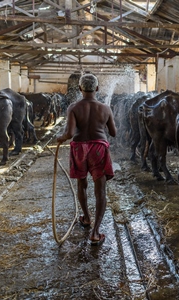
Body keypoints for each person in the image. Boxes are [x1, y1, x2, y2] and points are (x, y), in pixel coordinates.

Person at [57, 73, 116, 246]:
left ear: (80, 88)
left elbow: (69, 134)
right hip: (98, 148)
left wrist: (60, 138)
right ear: (97, 88)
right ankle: (96, 232)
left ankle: (87, 218)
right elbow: (113, 133)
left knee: (82, 185)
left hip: (79, 148)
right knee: (101, 190)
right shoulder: (105, 108)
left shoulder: (73, 108)